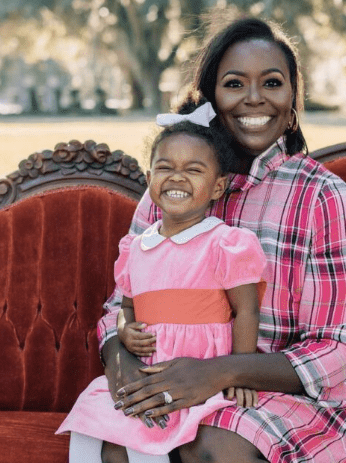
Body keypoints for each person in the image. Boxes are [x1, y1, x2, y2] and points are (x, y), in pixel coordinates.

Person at [97, 17, 346, 463]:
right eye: (234, 83)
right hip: (174, 377)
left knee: (210, 442)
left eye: (272, 82)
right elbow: (119, 305)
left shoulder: (322, 197)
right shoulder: (172, 190)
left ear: (292, 98)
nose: (254, 98)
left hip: (283, 391)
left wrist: (217, 372)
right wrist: (122, 362)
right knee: (116, 437)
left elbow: (335, 350)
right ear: (210, 97)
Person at [57, 104, 267, 462]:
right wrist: (124, 331)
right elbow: (126, 306)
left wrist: (241, 372)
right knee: (100, 434)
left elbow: (246, 310)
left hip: (198, 371)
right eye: (165, 167)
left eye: (194, 169)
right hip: (148, 368)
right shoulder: (136, 247)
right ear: (150, 177)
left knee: (153, 442)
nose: (177, 177)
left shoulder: (225, 244)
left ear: (218, 186)